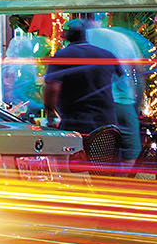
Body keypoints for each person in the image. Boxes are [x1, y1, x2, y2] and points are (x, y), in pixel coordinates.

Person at [42, 19, 125, 148]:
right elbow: (122, 84)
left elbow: (52, 89)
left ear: (65, 35)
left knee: (74, 165)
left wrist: (50, 113)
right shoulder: (107, 55)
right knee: (103, 164)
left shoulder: (62, 56)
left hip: (76, 124)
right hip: (106, 125)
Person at [84, 13, 151, 163]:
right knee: (131, 151)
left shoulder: (80, 40)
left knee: (90, 151)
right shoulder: (123, 39)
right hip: (122, 103)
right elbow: (139, 76)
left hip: (90, 106)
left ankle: (98, 180)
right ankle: (119, 180)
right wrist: (135, 107)